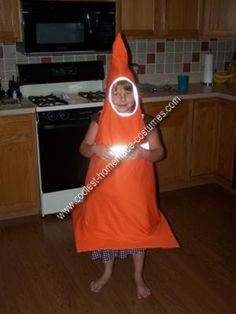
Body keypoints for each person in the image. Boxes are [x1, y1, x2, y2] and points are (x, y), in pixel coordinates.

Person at [72, 33, 179, 299]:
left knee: (136, 232)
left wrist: (141, 155)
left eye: (126, 92)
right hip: (105, 191)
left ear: (135, 95)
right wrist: (96, 148)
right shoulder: (99, 119)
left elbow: (159, 153)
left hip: (135, 192)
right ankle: (107, 272)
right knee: (107, 233)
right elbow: (83, 149)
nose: (121, 98)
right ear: (109, 95)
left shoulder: (147, 121)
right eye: (115, 92)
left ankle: (137, 275)